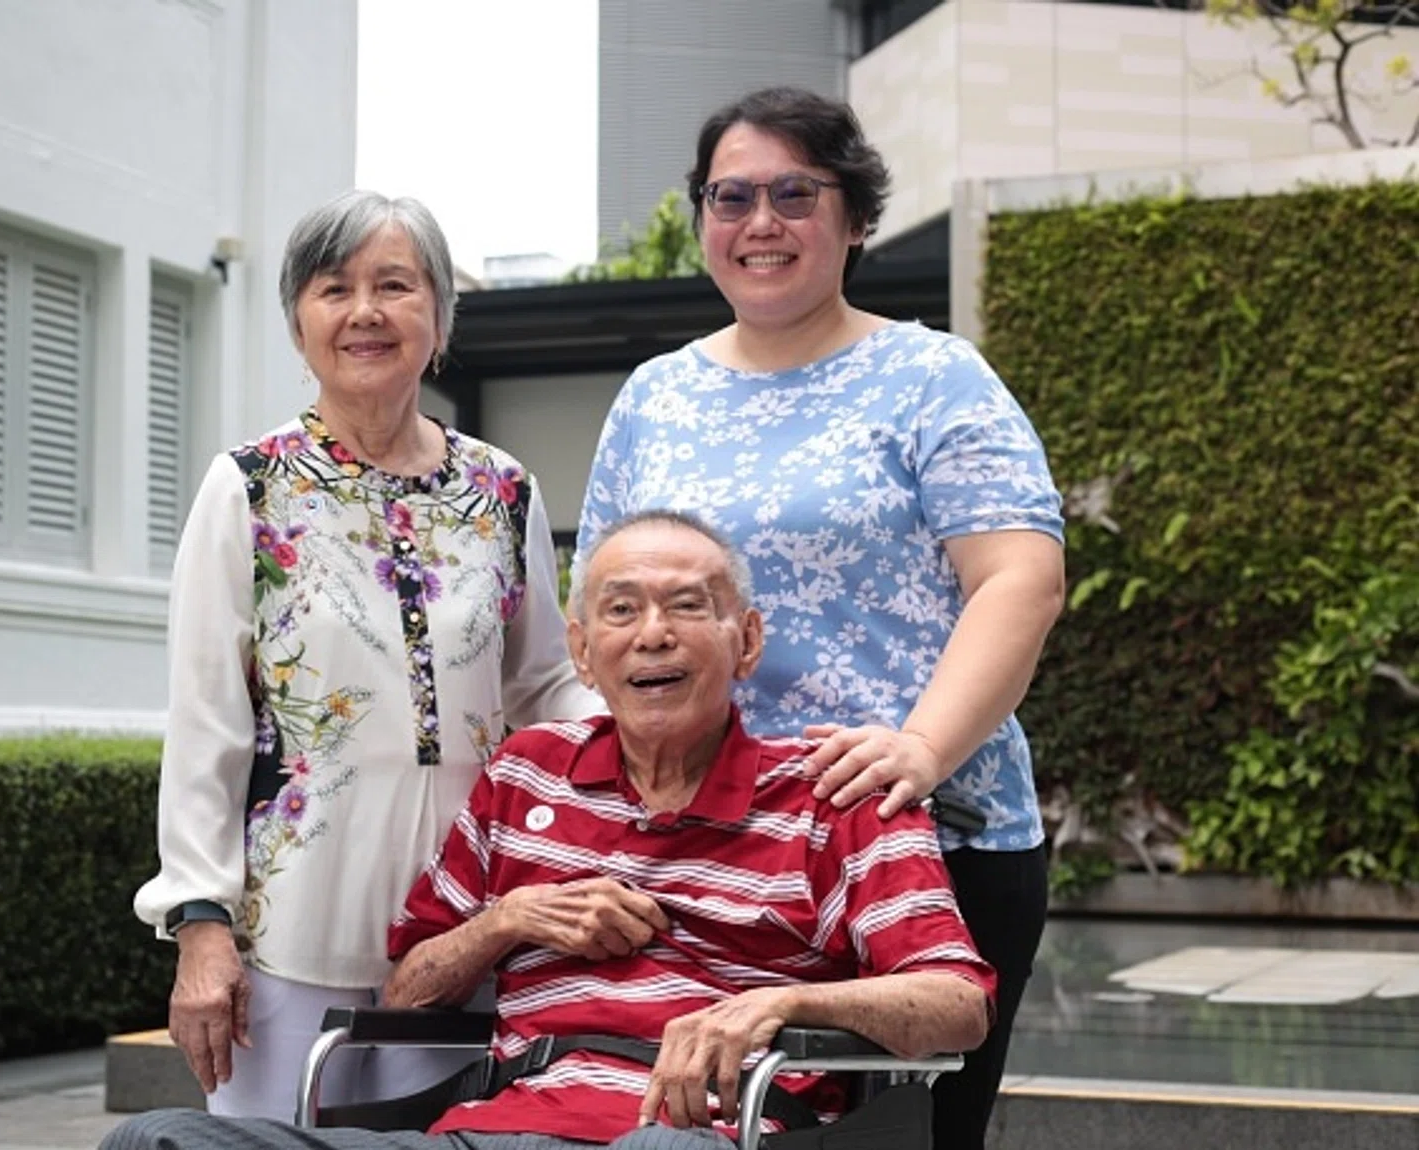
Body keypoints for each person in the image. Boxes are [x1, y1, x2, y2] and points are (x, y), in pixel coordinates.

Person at [102, 510, 994, 1150]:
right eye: (621, 609)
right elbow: (408, 993)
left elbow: (959, 1005)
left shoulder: (833, 792)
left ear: (747, 641)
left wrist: (780, 1005)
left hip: (709, 1131)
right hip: (501, 1125)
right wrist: (509, 920)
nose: (653, 635)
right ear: (579, 651)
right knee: (159, 1141)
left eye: (689, 606)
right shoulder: (527, 770)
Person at [575, 87, 1066, 1150]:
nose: (761, 222)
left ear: (853, 216)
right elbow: (602, 617)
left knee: (901, 1142)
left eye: (795, 193)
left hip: (924, 842)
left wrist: (922, 750)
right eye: (732, 196)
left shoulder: (936, 378)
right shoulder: (654, 397)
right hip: (710, 857)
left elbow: (1020, 578)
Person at [130, 190, 602, 1119]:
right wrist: (199, 926)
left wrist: (643, 748)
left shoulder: (502, 488)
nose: (365, 312)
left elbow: (545, 680)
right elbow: (205, 722)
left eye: (396, 285)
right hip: (293, 930)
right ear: (298, 320)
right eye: (333, 288)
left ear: (439, 316)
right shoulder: (249, 488)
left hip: (469, 923)